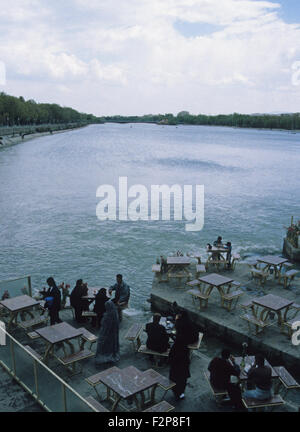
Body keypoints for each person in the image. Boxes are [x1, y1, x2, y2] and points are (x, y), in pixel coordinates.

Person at [95, 300, 120, 365]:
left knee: (104, 345)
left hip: (106, 334)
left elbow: (104, 325)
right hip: (113, 334)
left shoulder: (107, 316)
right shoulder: (115, 314)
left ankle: (104, 355)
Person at [169, 334, 190, 400]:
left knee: (175, 381)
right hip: (183, 369)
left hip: (175, 369)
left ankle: (176, 393)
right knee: (182, 382)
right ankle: (181, 393)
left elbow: (170, 358)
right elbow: (187, 360)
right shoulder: (185, 348)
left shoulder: (174, 348)